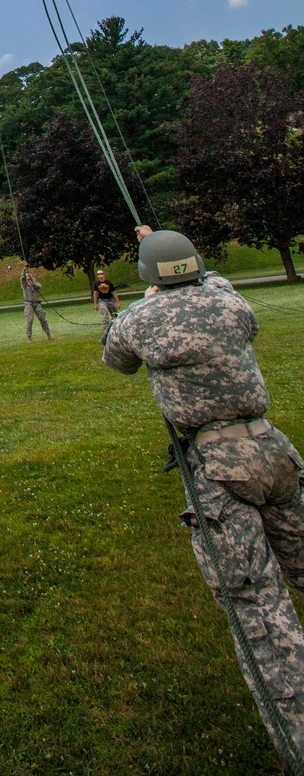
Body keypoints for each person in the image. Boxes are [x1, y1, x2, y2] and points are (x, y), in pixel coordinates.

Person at [103, 230, 304, 765]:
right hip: (273, 451)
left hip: (216, 466)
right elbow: (216, 289)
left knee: (257, 607)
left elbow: (117, 360)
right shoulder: (229, 301)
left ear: (148, 277)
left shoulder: (140, 320)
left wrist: (147, 294)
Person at [20, 267, 52, 343]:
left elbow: (39, 286)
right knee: (29, 320)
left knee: (43, 318)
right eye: (27, 278)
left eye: (29, 278)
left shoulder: (35, 284)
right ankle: (29, 338)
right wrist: (24, 269)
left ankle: (48, 335)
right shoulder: (24, 285)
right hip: (28, 303)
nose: (28, 279)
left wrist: (32, 280)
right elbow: (22, 278)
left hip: (37, 303)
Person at [92, 269, 120, 334]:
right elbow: (95, 294)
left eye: (101, 274)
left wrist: (117, 302)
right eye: (98, 274)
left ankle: (116, 325)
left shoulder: (109, 283)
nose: (100, 275)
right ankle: (106, 327)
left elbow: (114, 293)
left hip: (110, 300)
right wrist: (95, 304)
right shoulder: (96, 284)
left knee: (114, 314)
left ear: (104, 275)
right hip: (102, 300)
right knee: (105, 312)